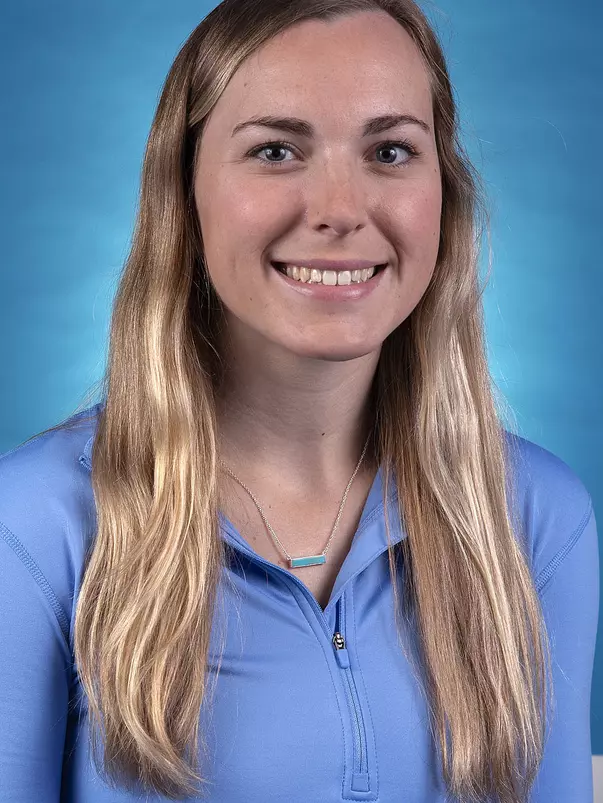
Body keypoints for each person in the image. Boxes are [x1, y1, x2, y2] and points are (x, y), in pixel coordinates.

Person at [0, 0, 598, 801]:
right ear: (184, 191)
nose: (341, 210)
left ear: (443, 194)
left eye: (390, 151)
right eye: (276, 150)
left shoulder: (538, 517)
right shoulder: (37, 524)